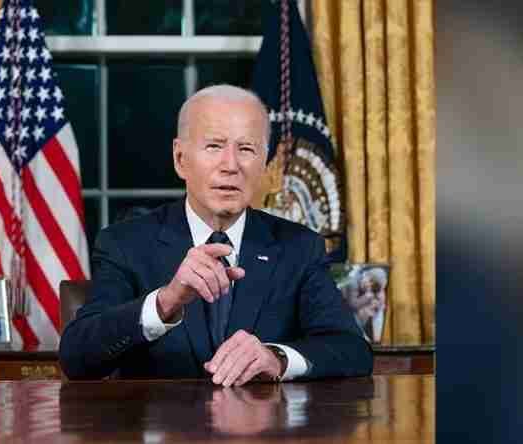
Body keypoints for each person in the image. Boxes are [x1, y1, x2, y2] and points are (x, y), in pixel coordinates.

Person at [59, 84, 372, 385]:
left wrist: (276, 358)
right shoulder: (126, 244)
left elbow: (352, 349)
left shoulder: (298, 247)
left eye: (246, 149)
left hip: (261, 421)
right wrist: (165, 302)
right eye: (214, 146)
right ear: (180, 159)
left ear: (264, 164)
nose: (230, 165)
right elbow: (77, 357)